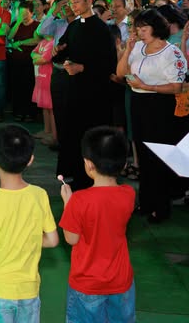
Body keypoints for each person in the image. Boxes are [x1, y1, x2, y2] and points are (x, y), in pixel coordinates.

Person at [0, 125, 60, 321]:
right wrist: (25, 240)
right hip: (29, 293)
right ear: (30, 160)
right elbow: (52, 240)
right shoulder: (39, 195)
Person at [117, 8, 189, 223]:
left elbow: (177, 87)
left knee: (159, 155)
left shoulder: (171, 52)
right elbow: (120, 73)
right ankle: (146, 201)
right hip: (138, 102)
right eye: (137, 28)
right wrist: (127, 51)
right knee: (143, 153)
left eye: (144, 28)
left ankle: (161, 205)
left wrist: (147, 87)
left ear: (156, 28)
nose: (140, 33)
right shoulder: (138, 47)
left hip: (160, 105)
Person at [59, 126, 137, 323]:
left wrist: (68, 204)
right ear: (123, 165)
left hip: (87, 283)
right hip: (121, 281)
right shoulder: (128, 194)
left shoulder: (79, 200)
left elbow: (71, 238)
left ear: (88, 164)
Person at [52, 0, 118, 190]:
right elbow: (65, 49)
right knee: (72, 133)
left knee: (90, 135)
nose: (73, 6)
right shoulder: (74, 25)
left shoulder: (101, 29)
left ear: (89, 0)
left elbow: (109, 63)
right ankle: (73, 172)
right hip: (74, 89)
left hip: (95, 93)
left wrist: (83, 67)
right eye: (71, 2)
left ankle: (90, 178)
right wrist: (59, 51)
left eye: (77, 1)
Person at [8, 0, 40, 123]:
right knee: (17, 86)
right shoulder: (17, 23)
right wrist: (18, 22)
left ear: (32, 13)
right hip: (16, 61)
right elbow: (10, 37)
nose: (24, 16)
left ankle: (30, 113)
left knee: (29, 86)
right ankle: (18, 111)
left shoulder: (37, 25)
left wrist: (20, 42)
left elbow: (36, 40)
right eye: (21, 14)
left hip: (29, 61)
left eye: (26, 14)